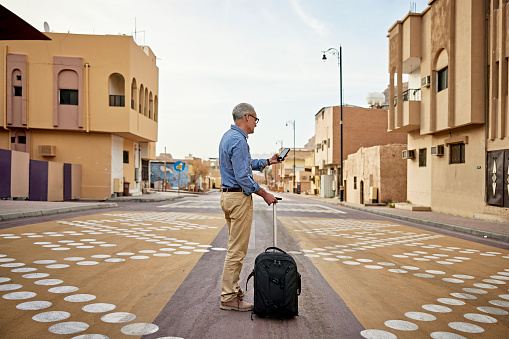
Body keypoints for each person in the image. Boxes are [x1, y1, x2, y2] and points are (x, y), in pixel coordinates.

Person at [218, 102, 286, 312]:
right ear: (247, 117)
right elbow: (243, 177)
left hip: (228, 197)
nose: (256, 123)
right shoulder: (238, 141)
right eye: (256, 119)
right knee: (237, 251)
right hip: (238, 199)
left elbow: (244, 165)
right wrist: (264, 194)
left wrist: (267, 161)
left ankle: (233, 289)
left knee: (234, 247)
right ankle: (228, 296)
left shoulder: (229, 137)